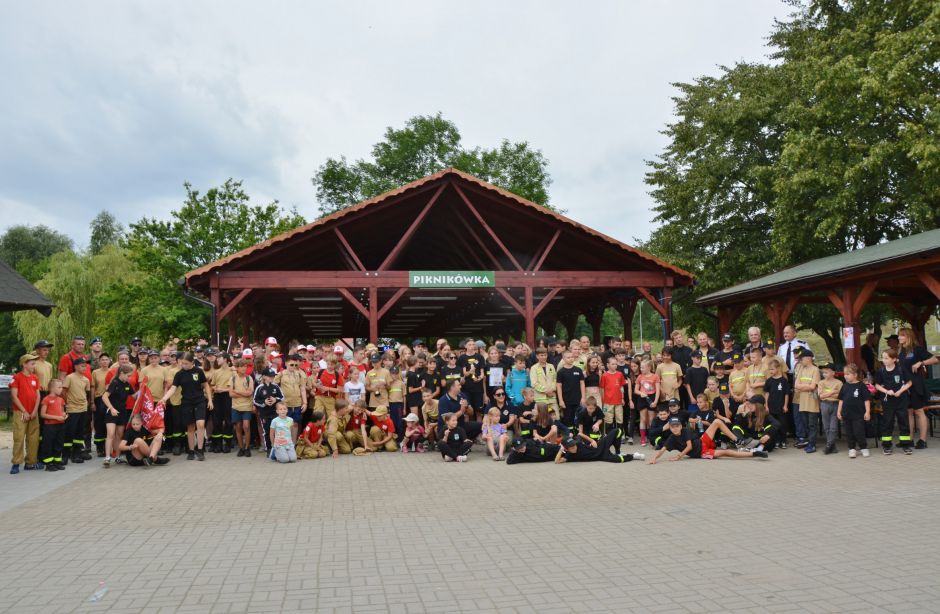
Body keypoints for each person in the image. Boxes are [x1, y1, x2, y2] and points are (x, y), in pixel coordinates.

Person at [160, 352, 213, 461]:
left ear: (192, 362)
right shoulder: (179, 374)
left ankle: (200, 450)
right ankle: (191, 451)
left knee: (200, 424)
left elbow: (206, 385)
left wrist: (210, 400)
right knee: (190, 427)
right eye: (182, 363)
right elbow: (173, 388)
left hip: (199, 401)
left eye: (186, 363)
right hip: (186, 402)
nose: (183, 365)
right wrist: (164, 398)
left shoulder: (198, 371)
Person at [647, 417, 769, 464]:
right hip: (702, 452)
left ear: (680, 426)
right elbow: (662, 450)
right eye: (672, 427)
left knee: (716, 421)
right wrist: (654, 458)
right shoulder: (671, 438)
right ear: (670, 427)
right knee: (725, 453)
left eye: (677, 426)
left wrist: (678, 456)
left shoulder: (685, 430)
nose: (675, 428)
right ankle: (755, 454)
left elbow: (689, 446)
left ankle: (737, 440)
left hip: (702, 441)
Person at [897, 327, 937, 449]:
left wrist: (921, 363)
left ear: (908, 336)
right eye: (899, 335)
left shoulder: (917, 349)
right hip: (905, 385)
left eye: (902, 335)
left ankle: (922, 440)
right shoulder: (901, 351)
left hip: (916, 385)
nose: (899, 337)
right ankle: (908, 440)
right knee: (908, 412)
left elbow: (935, 359)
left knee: (919, 411)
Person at [874, 348, 913, 455]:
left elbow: (909, 383)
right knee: (887, 423)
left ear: (894, 359)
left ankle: (905, 445)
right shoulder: (881, 371)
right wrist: (887, 391)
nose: (884, 360)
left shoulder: (901, 369)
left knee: (904, 422)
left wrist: (900, 391)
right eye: (883, 358)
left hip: (901, 400)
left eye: (886, 358)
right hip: (888, 401)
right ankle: (886, 446)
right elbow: (877, 385)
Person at [60, 357, 92, 464]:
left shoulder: (86, 380)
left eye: (85, 366)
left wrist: (86, 404)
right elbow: (64, 391)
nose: (84, 368)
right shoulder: (69, 377)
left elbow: (87, 393)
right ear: (76, 366)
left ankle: (76, 454)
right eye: (82, 366)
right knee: (69, 432)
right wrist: (67, 403)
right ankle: (65, 455)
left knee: (80, 433)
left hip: (83, 409)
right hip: (72, 409)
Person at [102, 365, 134, 468]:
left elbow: (134, 395)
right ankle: (107, 458)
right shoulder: (114, 383)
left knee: (119, 435)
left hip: (122, 412)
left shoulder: (127, 384)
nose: (130, 378)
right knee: (110, 434)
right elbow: (104, 397)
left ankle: (118, 457)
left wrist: (143, 389)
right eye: (128, 376)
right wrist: (112, 408)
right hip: (112, 412)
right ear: (122, 373)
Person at [554, 427, 644, 464]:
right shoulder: (569, 456)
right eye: (572, 447)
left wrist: (592, 440)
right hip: (600, 456)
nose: (574, 447)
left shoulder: (577, 443)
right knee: (619, 460)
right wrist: (561, 449)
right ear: (567, 449)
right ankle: (633, 456)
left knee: (618, 431)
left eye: (574, 444)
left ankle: (618, 452)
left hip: (599, 446)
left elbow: (580, 434)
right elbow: (556, 461)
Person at [838, 363, 871, 458]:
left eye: (848, 374)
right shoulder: (844, 386)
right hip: (846, 414)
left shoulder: (861, 386)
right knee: (849, 432)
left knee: (858, 431)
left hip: (858, 414)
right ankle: (852, 449)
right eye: (845, 374)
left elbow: (866, 400)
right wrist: (839, 411)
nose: (845, 376)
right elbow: (841, 400)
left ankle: (863, 447)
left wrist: (867, 412)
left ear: (855, 375)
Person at [792, 349, 820, 452]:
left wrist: (802, 387)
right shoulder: (802, 369)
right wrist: (806, 386)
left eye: (801, 359)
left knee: (812, 424)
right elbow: (796, 385)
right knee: (805, 423)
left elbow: (813, 387)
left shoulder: (815, 370)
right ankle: (809, 441)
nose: (800, 361)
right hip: (802, 401)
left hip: (812, 401)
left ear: (808, 358)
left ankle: (812, 444)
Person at [275, 355, 307, 442]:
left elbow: (302, 389)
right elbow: (274, 386)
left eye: (295, 365)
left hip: (297, 403)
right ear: (286, 364)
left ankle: (293, 443)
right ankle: (286, 443)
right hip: (286, 403)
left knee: (295, 424)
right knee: (286, 424)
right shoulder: (281, 374)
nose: (293, 367)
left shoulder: (299, 374)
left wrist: (305, 403)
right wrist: (278, 400)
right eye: (291, 365)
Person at [39, 379, 67, 471]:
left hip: (60, 425)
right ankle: (49, 464)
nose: (61, 389)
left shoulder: (61, 400)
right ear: (52, 388)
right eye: (59, 387)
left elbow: (62, 412)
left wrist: (64, 415)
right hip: (50, 426)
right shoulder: (46, 399)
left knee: (59, 444)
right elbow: (42, 414)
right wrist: (56, 418)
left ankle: (56, 462)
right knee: (48, 444)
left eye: (61, 387)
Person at [229, 358, 256, 457]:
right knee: (238, 427)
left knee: (246, 426)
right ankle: (241, 448)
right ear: (237, 368)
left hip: (247, 407)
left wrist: (237, 391)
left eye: (245, 366)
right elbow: (231, 394)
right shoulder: (233, 378)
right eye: (241, 366)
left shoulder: (249, 378)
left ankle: (247, 447)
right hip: (236, 407)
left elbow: (249, 393)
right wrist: (243, 393)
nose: (244, 368)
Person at [817, 363, 843, 455]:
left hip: (835, 405)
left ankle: (828, 446)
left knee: (833, 427)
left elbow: (839, 396)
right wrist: (833, 392)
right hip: (825, 404)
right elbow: (821, 396)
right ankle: (832, 446)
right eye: (823, 373)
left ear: (833, 373)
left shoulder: (839, 383)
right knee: (826, 427)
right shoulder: (821, 383)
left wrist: (827, 394)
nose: (824, 374)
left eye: (826, 372)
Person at [764, 358, 790, 449]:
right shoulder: (769, 380)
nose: (770, 371)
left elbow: (786, 394)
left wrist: (785, 405)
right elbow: (767, 393)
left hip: (780, 406)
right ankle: (776, 441)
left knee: (782, 424)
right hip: (771, 406)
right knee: (774, 425)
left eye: (772, 369)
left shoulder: (783, 381)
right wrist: (766, 405)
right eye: (769, 369)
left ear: (778, 368)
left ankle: (783, 440)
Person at [555, 350, 585, 426]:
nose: (571, 359)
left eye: (572, 357)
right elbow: (558, 386)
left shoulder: (578, 370)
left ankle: (578, 432)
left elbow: (582, 384)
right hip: (566, 400)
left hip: (577, 399)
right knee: (568, 419)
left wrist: (583, 397)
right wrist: (561, 400)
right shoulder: (561, 372)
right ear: (563, 359)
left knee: (578, 418)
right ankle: (569, 432)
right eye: (568, 357)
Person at [633, 359, 659, 446]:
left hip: (651, 398)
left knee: (651, 419)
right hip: (642, 399)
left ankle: (651, 437)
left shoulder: (655, 376)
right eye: (640, 367)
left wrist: (655, 401)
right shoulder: (640, 377)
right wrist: (641, 393)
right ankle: (643, 438)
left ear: (649, 367)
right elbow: (636, 390)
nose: (641, 369)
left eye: (643, 367)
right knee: (643, 419)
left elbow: (657, 391)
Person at [529, 347, 558, 413]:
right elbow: (534, 383)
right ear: (537, 356)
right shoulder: (534, 368)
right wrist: (546, 390)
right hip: (540, 399)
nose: (544, 357)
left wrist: (552, 389)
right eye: (541, 355)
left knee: (555, 417)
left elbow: (555, 379)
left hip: (552, 398)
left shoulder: (551, 366)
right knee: (542, 418)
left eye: (545, 355)